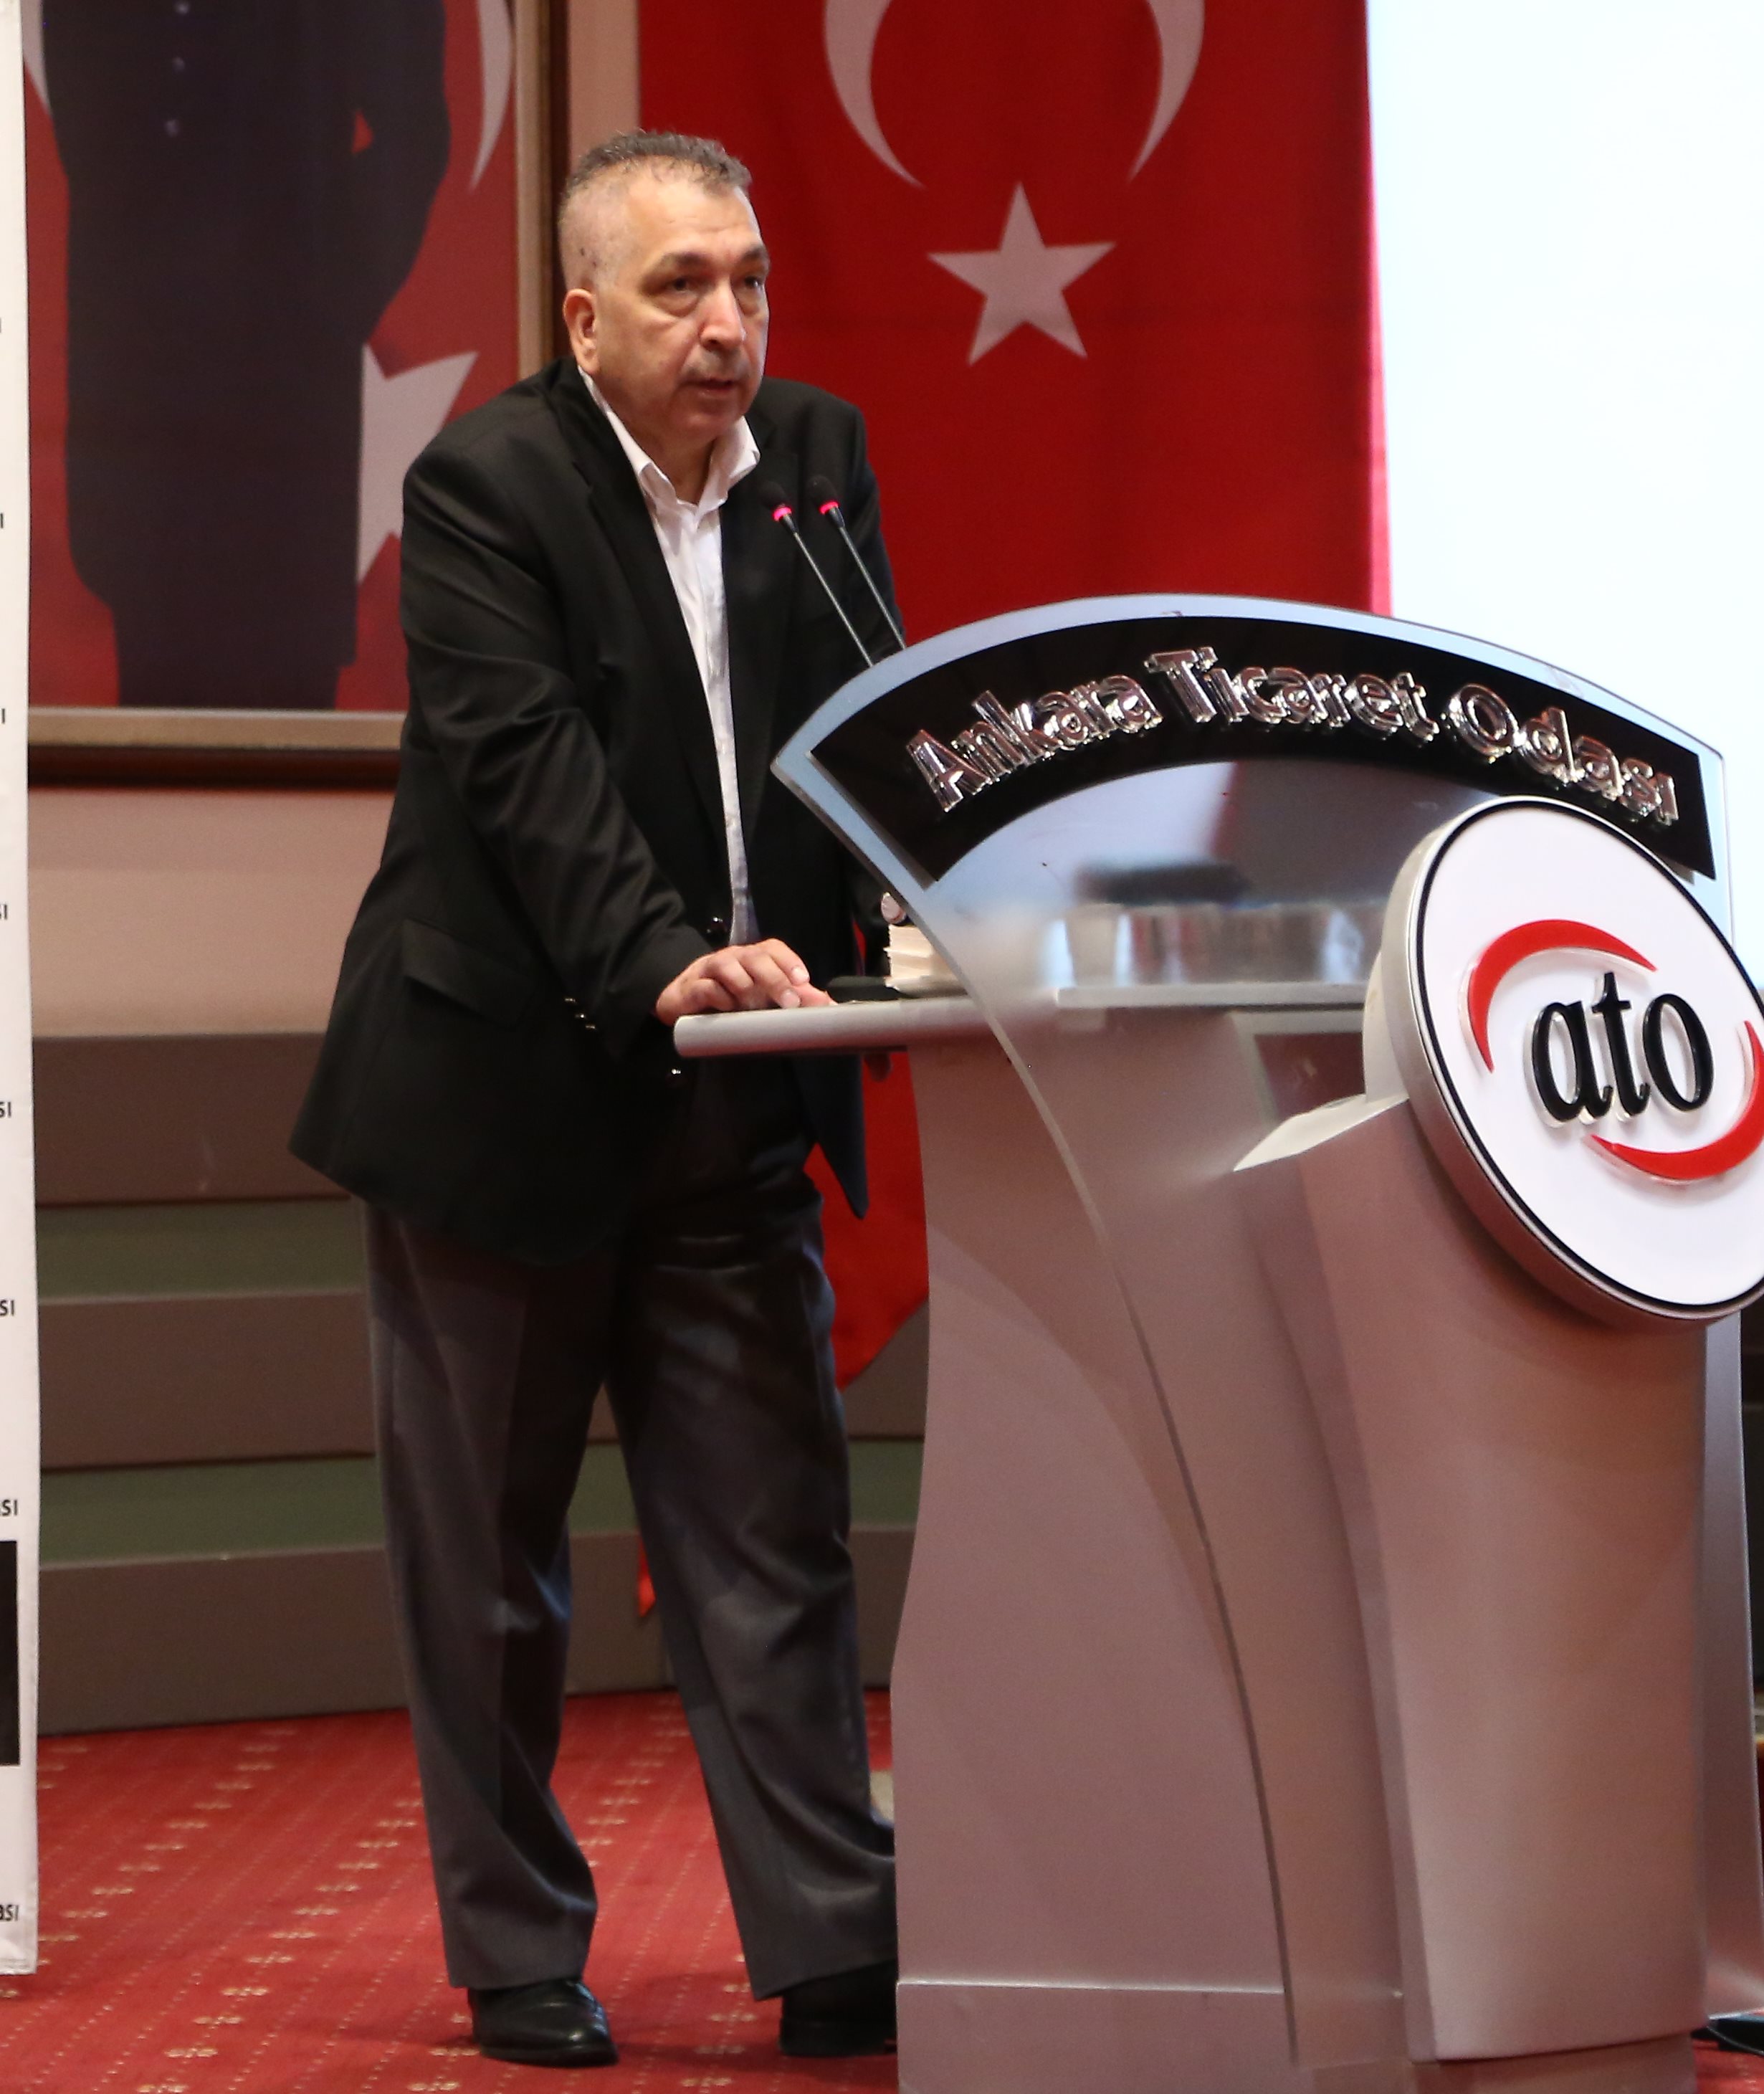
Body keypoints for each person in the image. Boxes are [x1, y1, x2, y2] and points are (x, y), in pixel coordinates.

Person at [292, 131, 900, 2069]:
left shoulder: (813, 461)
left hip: (738, 1095)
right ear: (581, 318)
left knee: (773, 1539)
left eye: (748, 279)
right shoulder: (488, 483)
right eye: (677, 287)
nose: (727, 324)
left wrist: (931, 903)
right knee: (488, 1568)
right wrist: (665, 962)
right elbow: (521, 767)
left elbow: (869, 727)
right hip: (499, 1094)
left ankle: (831, 1936)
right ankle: (517, 1949)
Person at [44, 0, 449, 708]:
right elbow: (88, 121)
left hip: (281, 404)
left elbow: (412, 131)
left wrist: (320, 296)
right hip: (137, 389)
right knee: (146, 712)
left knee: (284, 715)